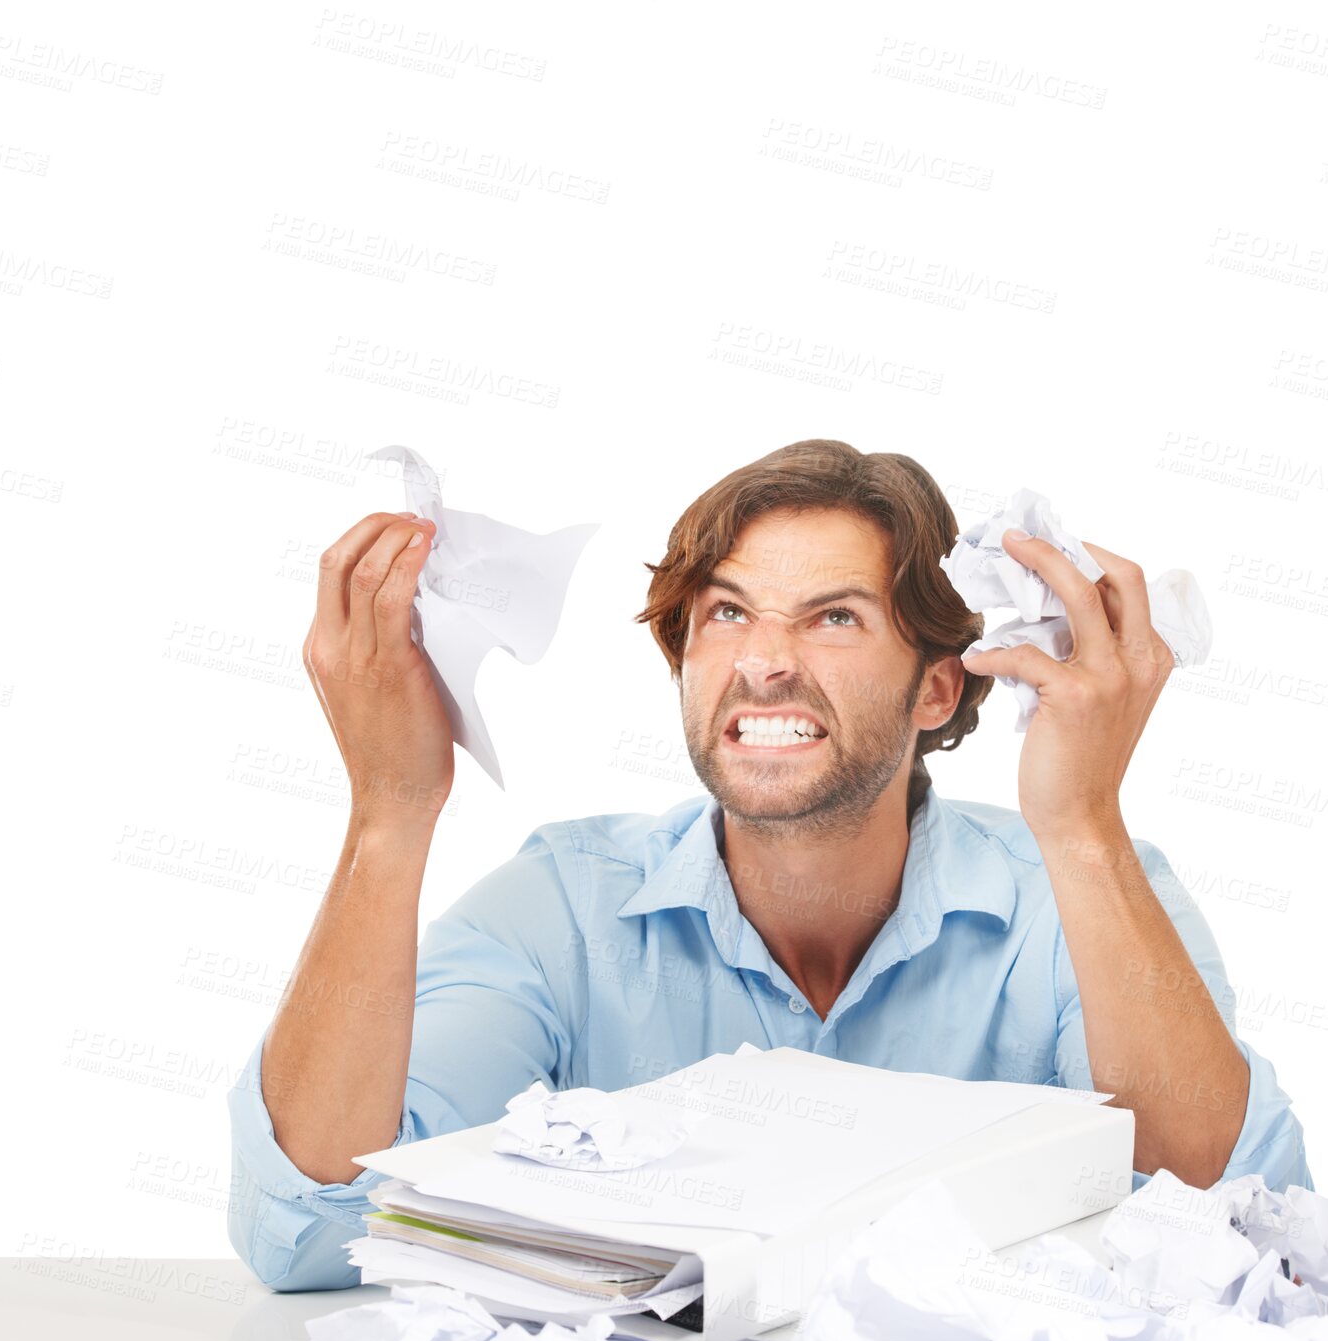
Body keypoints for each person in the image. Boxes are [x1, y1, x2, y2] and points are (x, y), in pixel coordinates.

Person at [227, 438, 1311, 1292]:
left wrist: (1081, 822)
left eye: (832, 616)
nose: (763, 661)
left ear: (937, 689)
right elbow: (312, 1224)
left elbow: (1239, 1225)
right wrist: (390, 809)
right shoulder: (562, 908)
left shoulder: (1081, 894)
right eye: (726, 613)